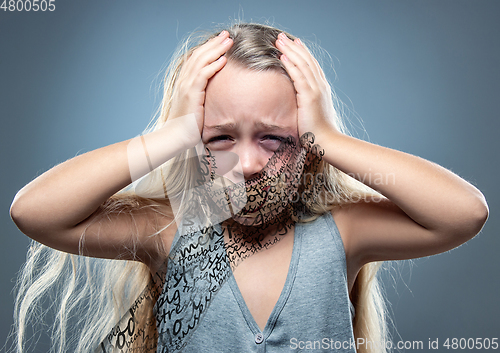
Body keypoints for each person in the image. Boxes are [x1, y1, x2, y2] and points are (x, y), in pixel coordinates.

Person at [9, 22, 488, 353]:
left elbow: (464, 213)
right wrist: (168, 135)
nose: (251, 163)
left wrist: (331, 139)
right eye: (220, 138)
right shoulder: (173, 229)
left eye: (275, 139)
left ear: (305, 144)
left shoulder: (342, 232)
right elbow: (36, 213)